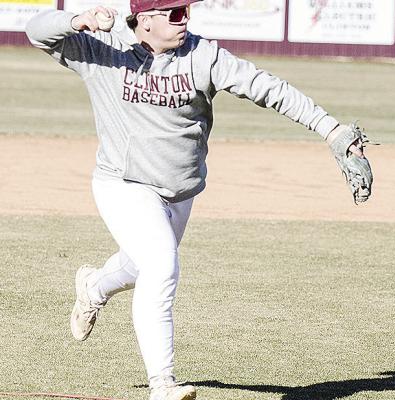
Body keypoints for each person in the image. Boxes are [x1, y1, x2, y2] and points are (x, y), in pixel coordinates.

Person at [25, 1, 367, 399]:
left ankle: (94, 286)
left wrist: (332, 130)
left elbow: (270, 89)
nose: (184, 18)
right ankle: (162, 384)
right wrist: (77, 20)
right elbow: (36, 30)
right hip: (123, 183)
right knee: (161, 264)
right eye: (173, 12)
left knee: (141, 266)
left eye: (186, 9)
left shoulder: (204, 56)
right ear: (146, 20)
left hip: (180, 190)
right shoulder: (104, 49)